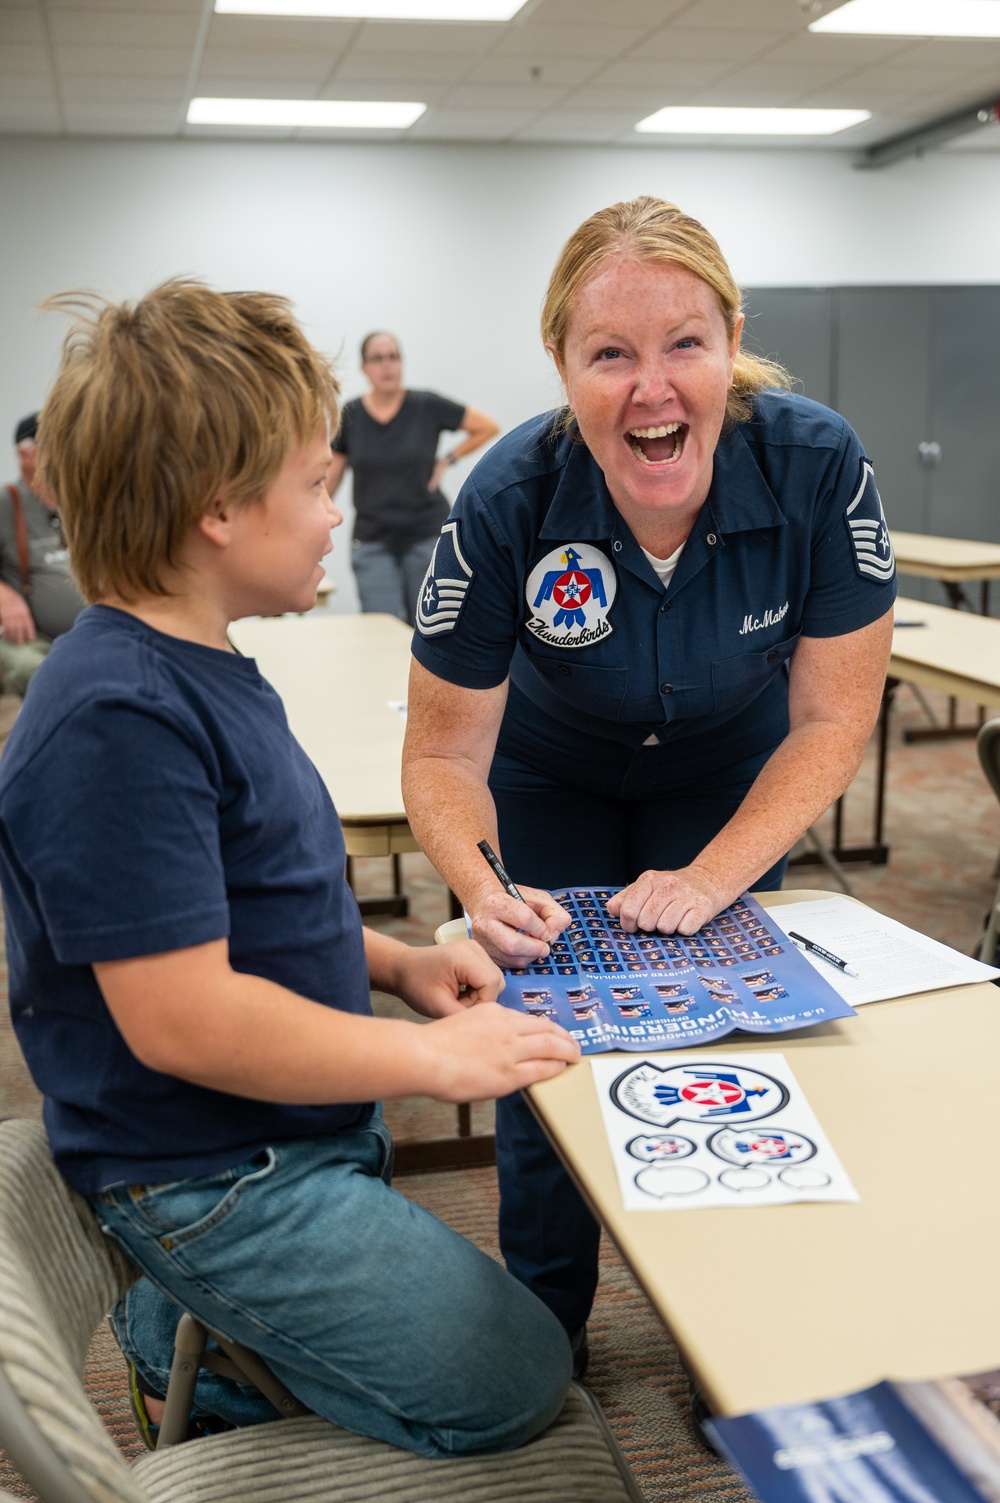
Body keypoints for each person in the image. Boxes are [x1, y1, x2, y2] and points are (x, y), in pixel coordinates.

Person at [0, 279, 579, 1456]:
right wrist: (426, 1059)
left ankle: (215, 1339)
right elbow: (184, 1019)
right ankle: (203, 1364)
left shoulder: (202, 663)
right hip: (217, 1177)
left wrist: (401, 964)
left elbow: (253, 908)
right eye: (318, 483)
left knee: (501, 1348)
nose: (336, 512)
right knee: (519, 1379)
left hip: (286, 1138)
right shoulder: (116, 712)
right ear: (219, 509)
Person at [400, 196, 896, 1364]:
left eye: (684, 343)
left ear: (731, 341)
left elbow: (833, 717)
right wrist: (479, 885)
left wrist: (719, 875)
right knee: (545, 1058)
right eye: (608, 354)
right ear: (562, 370)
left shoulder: (818, 465)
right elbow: (440, 752)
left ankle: (741, 1354)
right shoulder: (511, 497)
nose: (652, 387)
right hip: (551, 777)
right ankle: (548, 1338)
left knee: (734, 1061)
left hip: (730, 782)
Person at [327, 331, 499, 623]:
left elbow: (486, 426)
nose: (387, 366)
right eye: (378, 359)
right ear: (364, 368)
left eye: (393, 357)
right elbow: (331, 475)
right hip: (372, 541)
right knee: (380, 629)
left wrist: (447, 459)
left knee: (430, 626)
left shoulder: (425, 405)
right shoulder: (351, 414)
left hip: (426, 535)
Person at [0, 412, 84, 694]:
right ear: (25, 454)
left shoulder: (75, 500)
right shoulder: (6, 503)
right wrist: (4, 596)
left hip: (85, 633)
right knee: (36, 671)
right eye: (50, 444)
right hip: (31, 638)